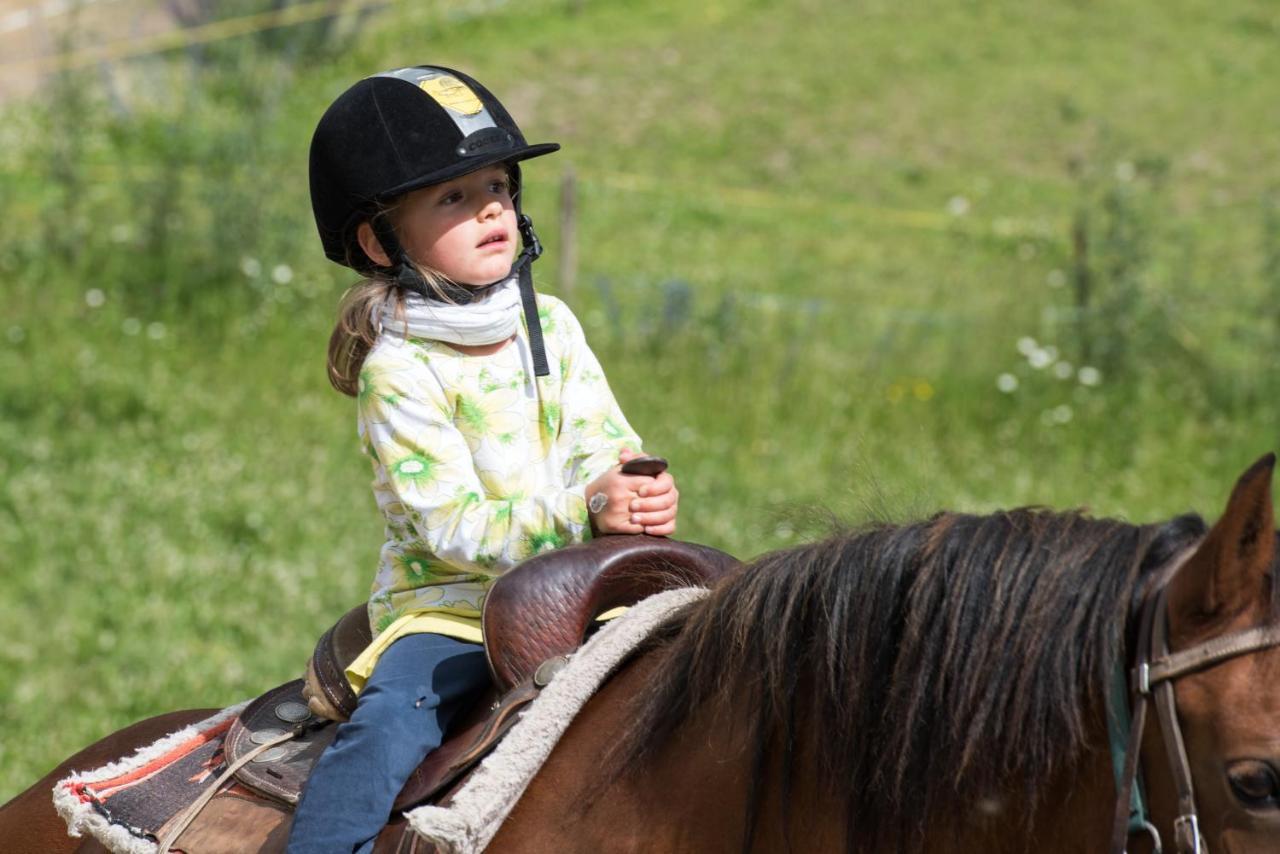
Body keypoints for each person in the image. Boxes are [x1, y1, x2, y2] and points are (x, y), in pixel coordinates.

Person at [288, 65, 680, 852]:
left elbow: (603, 438)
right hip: (454, 608)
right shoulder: (399, 370)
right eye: (453, 197)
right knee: (396, 721)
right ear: (379, 239)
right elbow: (449, 527)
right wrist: (582, 512)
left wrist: (634, 487)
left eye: (498, 185)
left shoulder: (553, 324)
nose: (493, 207)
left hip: (579, 581)